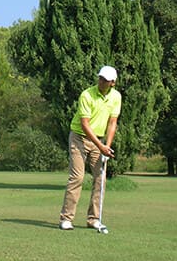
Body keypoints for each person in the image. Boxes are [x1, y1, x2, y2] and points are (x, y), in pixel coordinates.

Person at [59, 65, 121, 232]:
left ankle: (93, 219)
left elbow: (112, 123)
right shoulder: (87, 94)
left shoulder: (116, 97)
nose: (101, 82)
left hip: (99, 141)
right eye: (100, 78)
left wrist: (106, 146)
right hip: (79, 138)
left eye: (106, 80)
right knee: (77, 177)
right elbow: (84, 124)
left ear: (113, 83)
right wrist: (101, 146)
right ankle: (66, 218)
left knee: (100, 179)